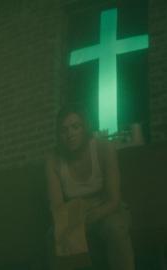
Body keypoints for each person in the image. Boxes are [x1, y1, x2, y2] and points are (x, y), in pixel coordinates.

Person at [45, 105, 135, 270]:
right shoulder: (53, 161)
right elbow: (57, 207)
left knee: (115, 229)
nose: (70, 134)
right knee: (53, 237)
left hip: (108, 210)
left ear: (85, 128)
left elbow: (114, 199)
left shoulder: (104, 148)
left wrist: (89, 218)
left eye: (75, 127)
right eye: (64, 130)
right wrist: (74, 223)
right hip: (74, 215)